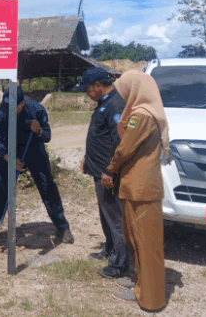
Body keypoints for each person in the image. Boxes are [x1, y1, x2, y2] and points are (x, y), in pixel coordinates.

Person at [101, 70, 169, 311]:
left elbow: (124, 148)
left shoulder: (141, 116)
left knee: (147, 243)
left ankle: (151, 299)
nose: (122, 96)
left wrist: (109, 168)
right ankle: (140, 284)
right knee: (137, 240)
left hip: (142, 190)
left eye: (125, 91)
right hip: (137, 187)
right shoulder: (144, 114)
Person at [0, 85, 73, 244]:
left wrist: (39, 131)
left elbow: (47, 136)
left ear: (22, 104)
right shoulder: (1, 112)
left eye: (13, 106)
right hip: (10, 151)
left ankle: (62, 227)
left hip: (34, 149)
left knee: (47, 187)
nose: (9, 109)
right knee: (0, 188)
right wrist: (10, 159)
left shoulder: (37, 110)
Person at [74, 67, 130, 279]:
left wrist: (110, 171)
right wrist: (87, 159)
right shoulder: (105, 104)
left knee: (115, 218)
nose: (87, 94)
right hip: (99, 171)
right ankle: (109, 249)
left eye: (88, 89)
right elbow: (101, 138)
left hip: (108, 175)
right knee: (106, 215)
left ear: (98, 86)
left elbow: (119, 142)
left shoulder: (115, 105)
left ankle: (120, 264)